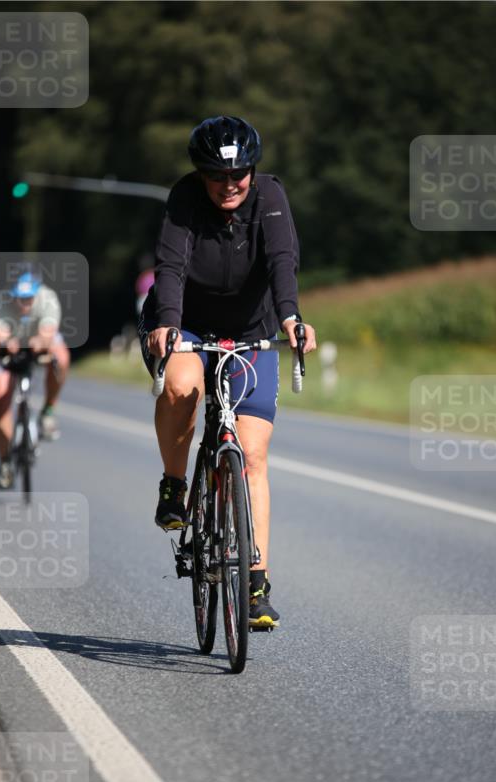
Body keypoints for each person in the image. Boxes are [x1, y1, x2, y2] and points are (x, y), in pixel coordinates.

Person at [138, 115, 316, 629]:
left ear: (253, 171)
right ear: (201, 174)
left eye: (239, 174)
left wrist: (291, 319)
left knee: (253, 455)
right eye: (217, 175)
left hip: (251, 328)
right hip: (185, 324)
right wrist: (168, 325)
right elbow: (170, 266)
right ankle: (175, 486)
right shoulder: (185, 198)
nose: (229, 184)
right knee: (182, 387)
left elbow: (282, 260)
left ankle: (256, 583)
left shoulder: (270, 197)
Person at [0, 271, 71, 489]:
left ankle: (48, 411)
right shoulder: (1, 302)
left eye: (28, 299)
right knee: (0, 398)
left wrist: (40, 340)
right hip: (9, 350)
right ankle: (4, 464)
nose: (23, 304)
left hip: (38, 344)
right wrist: (6, 343)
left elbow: (48, 333)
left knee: (61, 357)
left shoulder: (47, 298)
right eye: (19, 298)